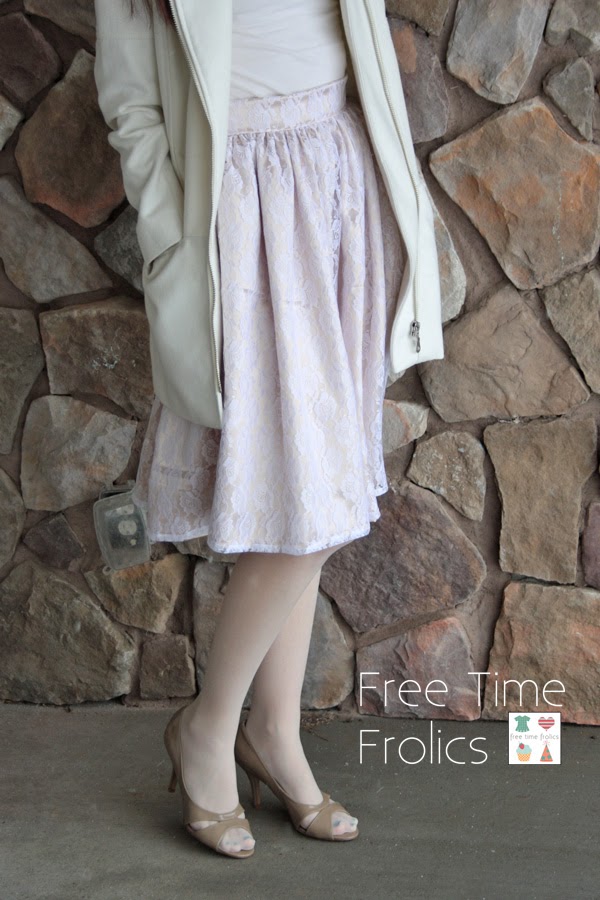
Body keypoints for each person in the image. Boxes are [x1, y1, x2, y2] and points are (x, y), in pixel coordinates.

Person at [94, 0, 444, 859]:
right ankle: (210, 730)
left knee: (310, 492)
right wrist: (173, 234)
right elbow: (131, 101)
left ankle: (272, 734)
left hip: (334, 179)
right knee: (310, 495)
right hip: (239, 210)